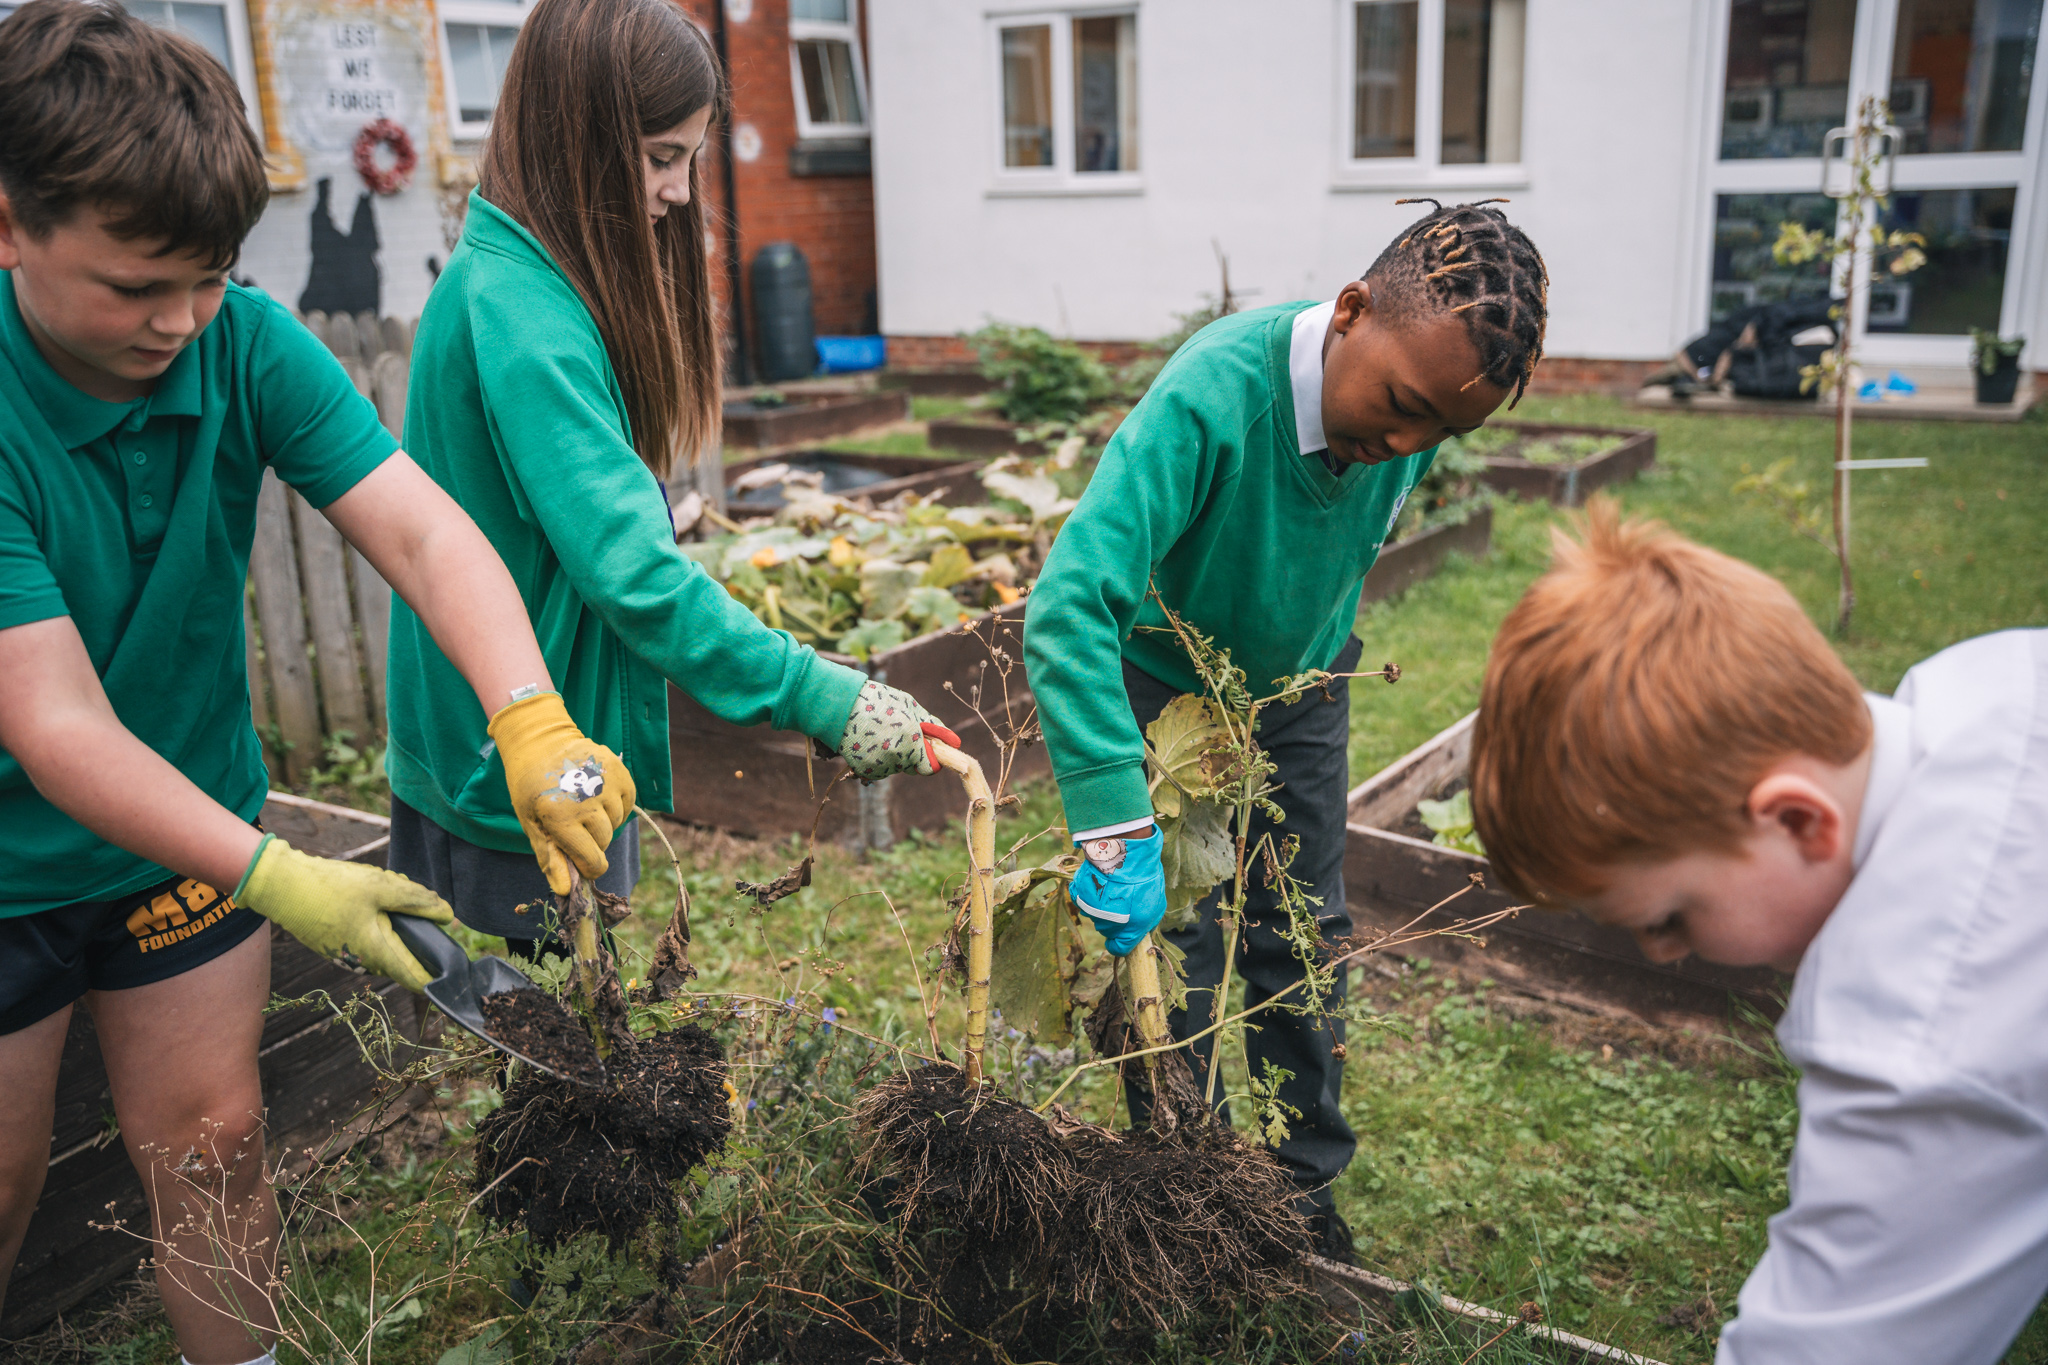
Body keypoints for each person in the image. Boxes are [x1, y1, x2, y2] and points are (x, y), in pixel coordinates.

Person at [0, 4, 633, 1362]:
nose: (177, 321)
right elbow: (52, 723)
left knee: (216, 1142)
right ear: (7, 223)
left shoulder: (243, 341)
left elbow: (422, 527)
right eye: (132, 286)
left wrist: (530, 714)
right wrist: (285, 878)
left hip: (182, 820)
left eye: (208, 276)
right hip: (10, 852)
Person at [1024, 200, 1549, 1259]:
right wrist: (1110, 817)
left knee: (1301, 938)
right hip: (1161, 696)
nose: (1401, 448)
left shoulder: (1405, 409)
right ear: (1350, 310)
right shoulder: (1214, 395)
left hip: (1301, 696)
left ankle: (1300, 1192)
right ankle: (1187, 1182)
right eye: (1398, 408)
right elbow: (1068, 603)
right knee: (1173, 949)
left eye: (1436, 436)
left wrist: (1299, 671)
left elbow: (1330, 543)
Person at [383, 0, 955, 952]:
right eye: (659, 156)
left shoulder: (526, 277)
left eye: (689, 156)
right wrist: (823, 694)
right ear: (579, 138)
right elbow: (632, 574)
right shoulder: (524, 318)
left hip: (543, 732)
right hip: (515, 751)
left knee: (575, 1039)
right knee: (552, 1050)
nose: (684, 191)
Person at [1469, 502, 2048, 1364]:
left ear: (1797, 820)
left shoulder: (1928, 1028)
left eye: (1670, 917)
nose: (1662, 953)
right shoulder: (1994, 683)